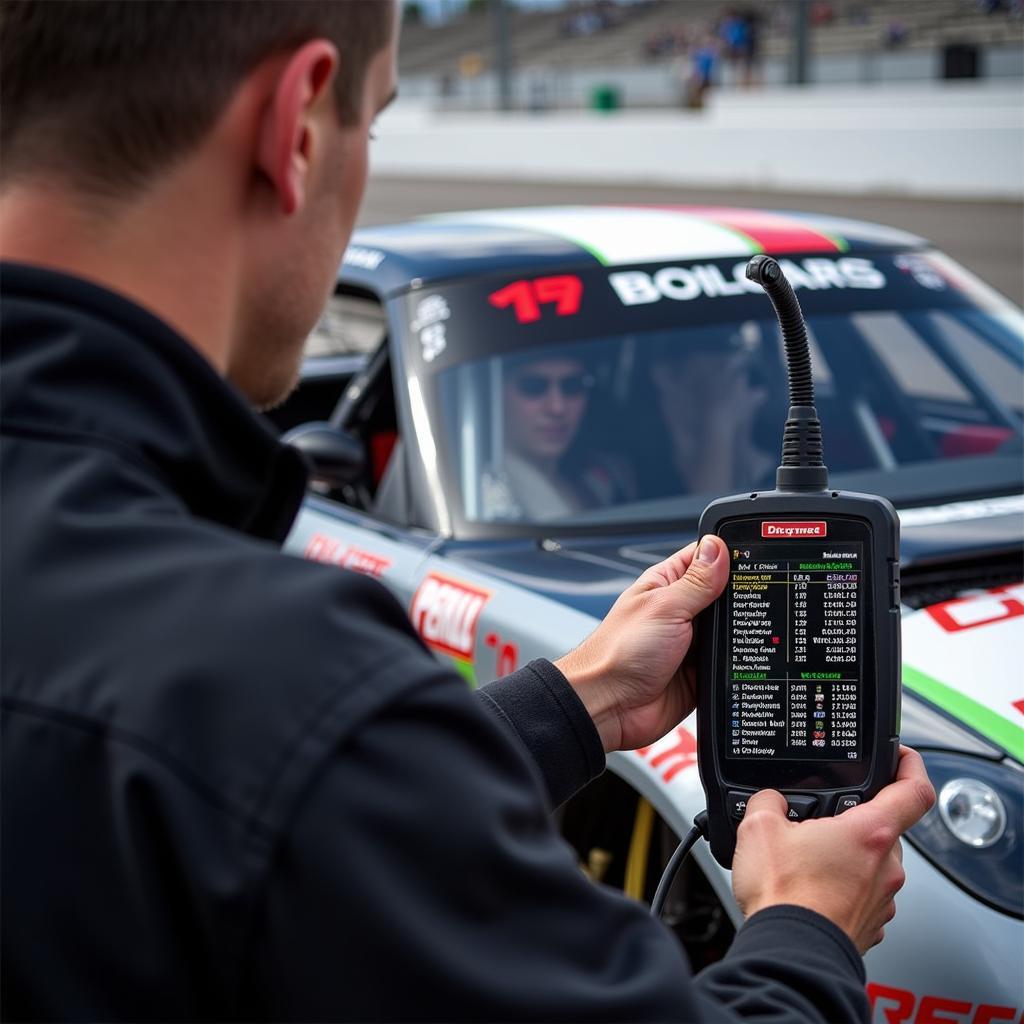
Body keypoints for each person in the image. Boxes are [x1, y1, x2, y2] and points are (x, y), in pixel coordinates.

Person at [0, 2, 935, 1021]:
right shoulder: (283, 682)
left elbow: (265, 790)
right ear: (300, 125)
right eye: (375, 120)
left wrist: (577, 703)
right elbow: (287, 769)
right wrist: (807, 930)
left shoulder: (262, 708)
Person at [490, 353, 630, 520]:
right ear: (495, 394)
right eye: (533, 387)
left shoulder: (601, 479)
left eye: (572, 386)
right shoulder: (486, 495)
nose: (557, 407)